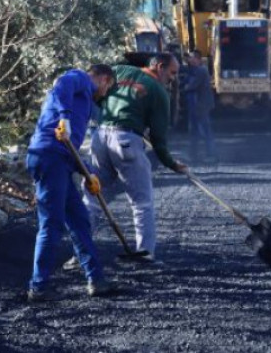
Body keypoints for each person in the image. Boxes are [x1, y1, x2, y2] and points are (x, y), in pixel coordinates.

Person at [85, 53, 188, 263]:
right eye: (172, 73)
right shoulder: (159, 92)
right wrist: (171, 163)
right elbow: (159, 139)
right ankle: (145, 251)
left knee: (92, 197)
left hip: (99, 138)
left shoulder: (119, 70)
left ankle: (80, 249)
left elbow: (96, 90)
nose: (173, 79)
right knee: (142, 202)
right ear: (159, 66)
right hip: (126, 142)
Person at [26, 65, 116, 302]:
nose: (105, 93)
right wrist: (64, 117)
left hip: (61, 160)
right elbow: (62, 85)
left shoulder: (84, 101)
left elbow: (70, 147)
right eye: (108, 87)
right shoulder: (79, 78)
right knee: (52, 223)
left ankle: (96, 280)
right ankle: (38, 287)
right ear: (104, 79)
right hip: (49, 157)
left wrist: (88, 173)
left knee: (79, 220)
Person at [184, 51, 217, 164]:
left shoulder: (201, 71)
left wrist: (186, 87)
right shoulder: (197, 70)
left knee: (205, 130)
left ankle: (210, 154)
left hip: (201, 105)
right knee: (196, 130)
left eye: (192, 58)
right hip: (199, 105)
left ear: (198, 59)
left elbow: (192, 86)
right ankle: (194, 154)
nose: (190, 60)